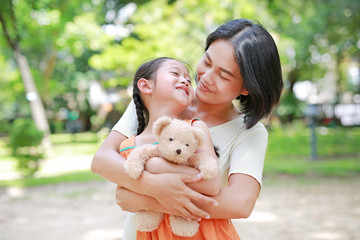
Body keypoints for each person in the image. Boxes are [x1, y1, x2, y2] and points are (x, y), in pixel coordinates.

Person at [92, 18, 283, 240]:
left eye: (223, 75)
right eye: (207, 62)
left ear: (247, 88)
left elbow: (240, 203)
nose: (206, 78)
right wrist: (153, 185)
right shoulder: (161, 97)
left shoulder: (249, 132)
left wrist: (146, 199)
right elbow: (103, 159)